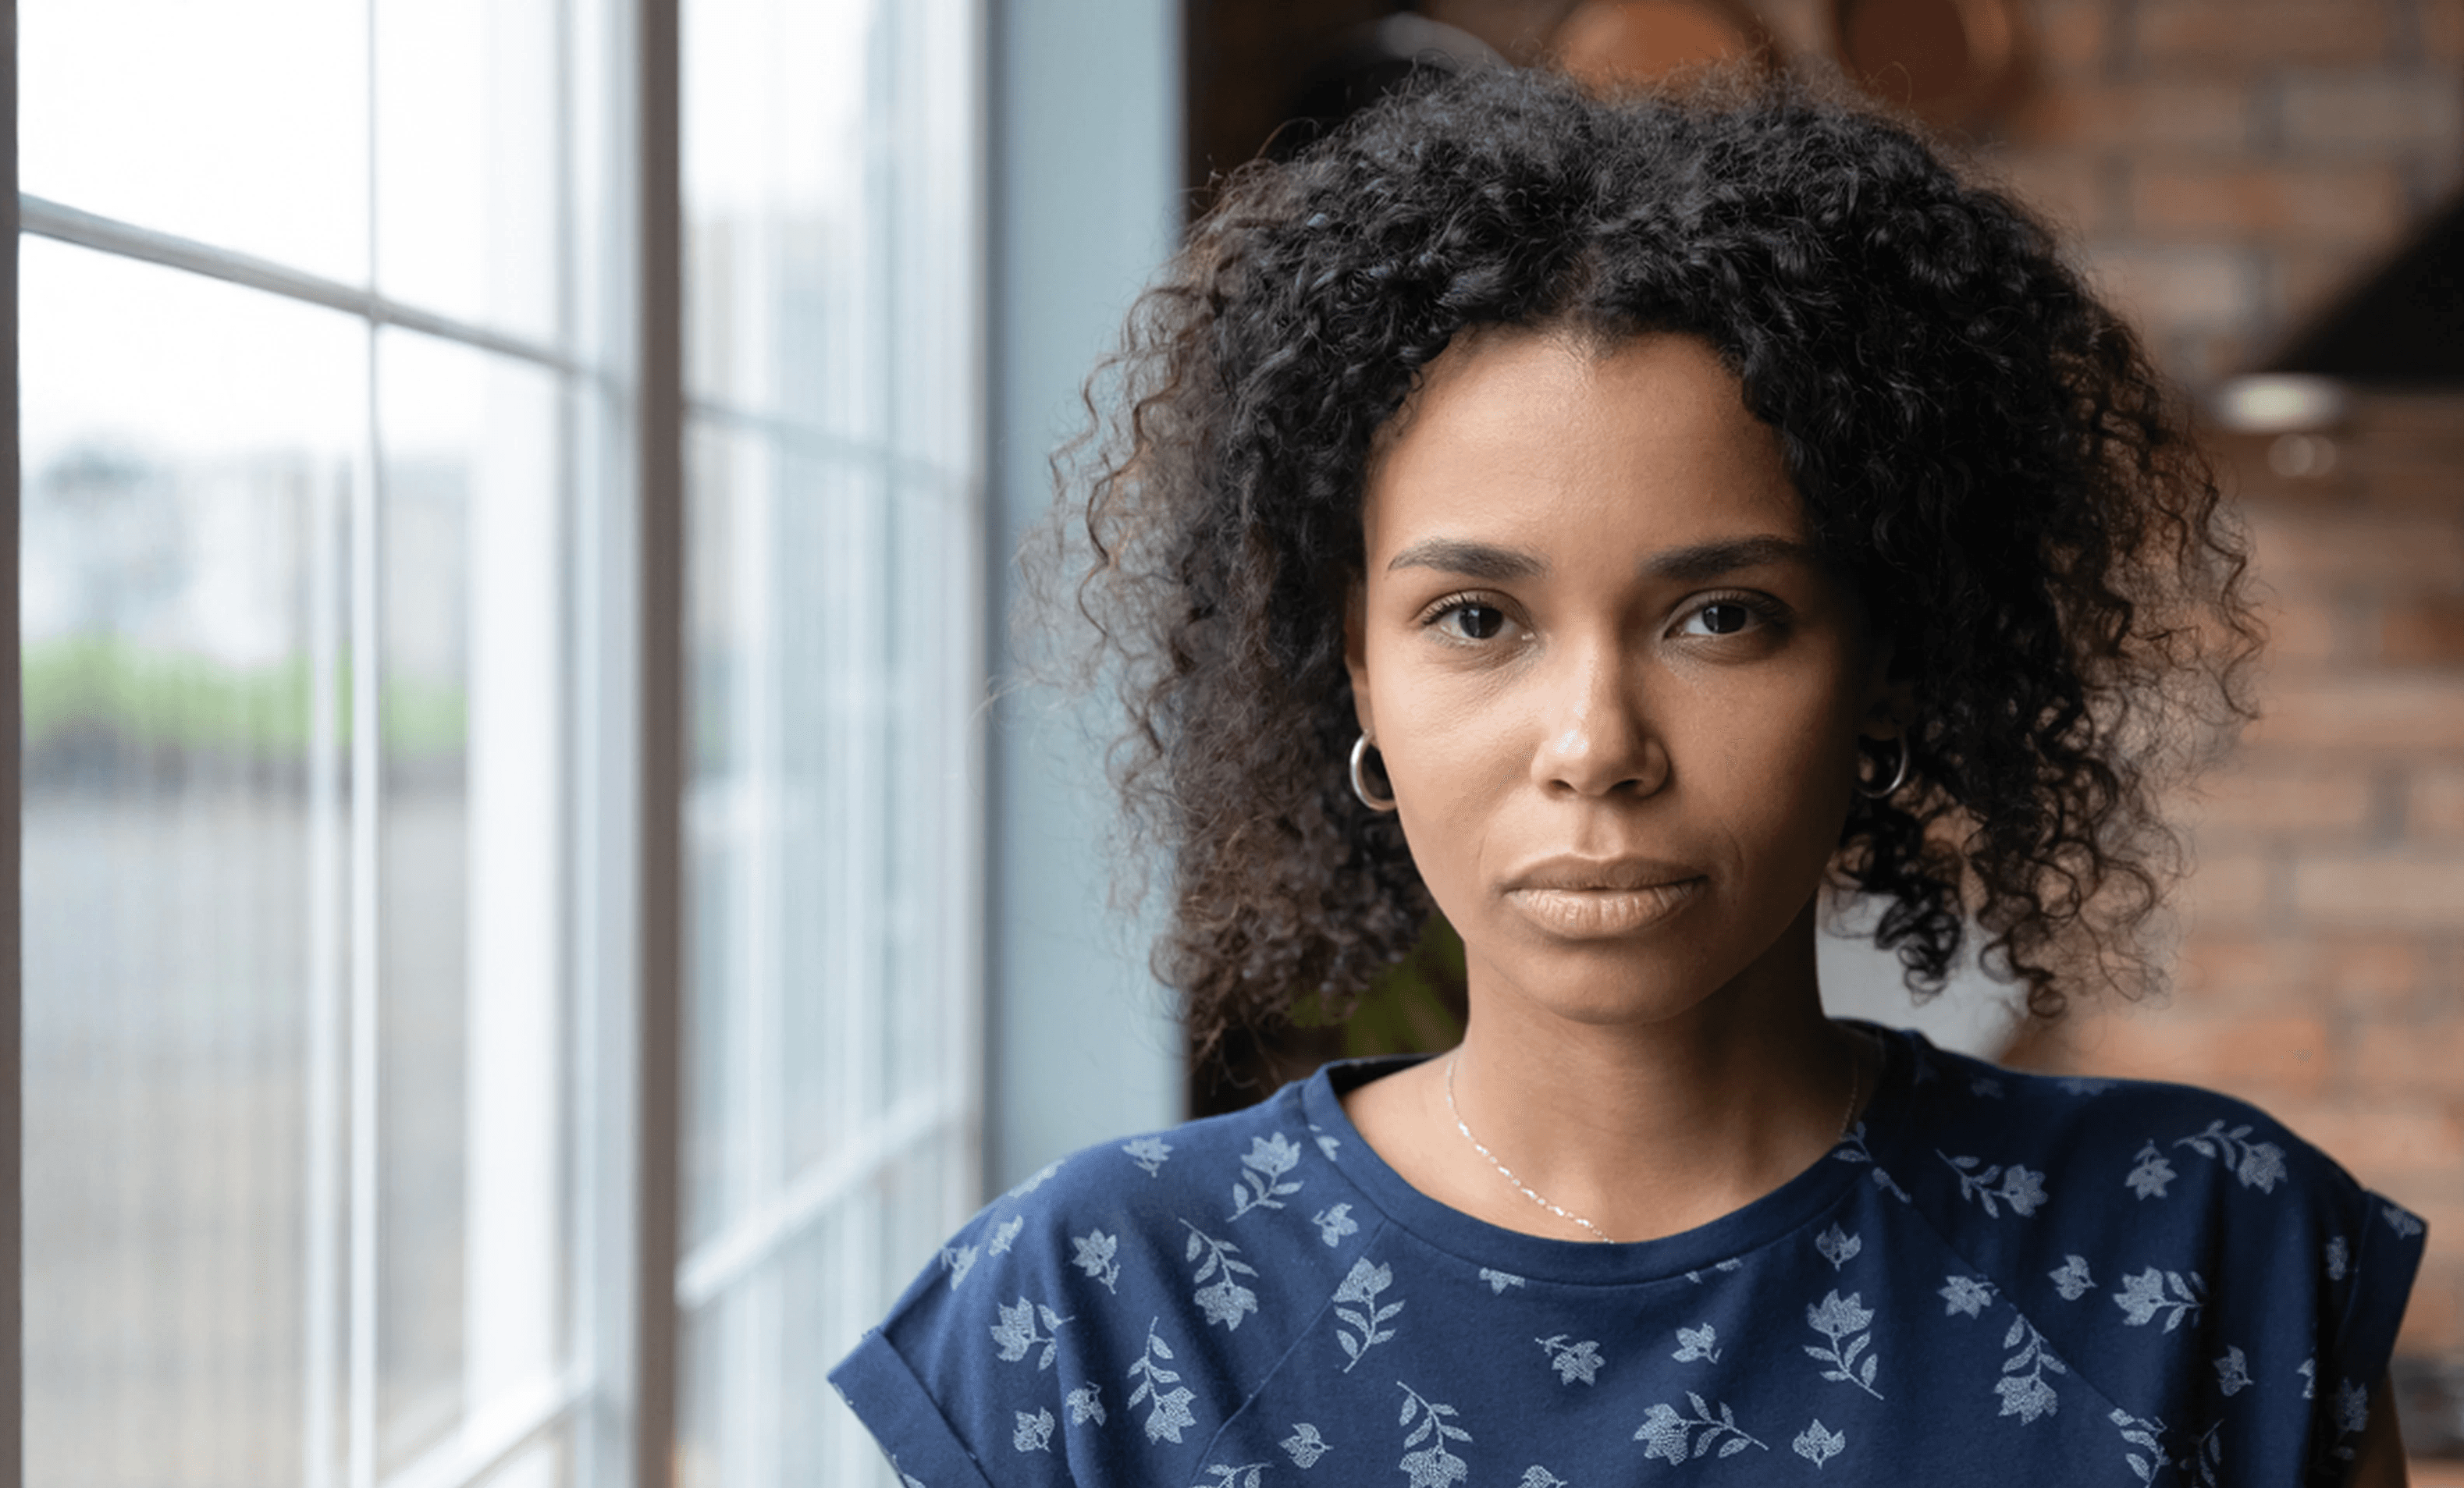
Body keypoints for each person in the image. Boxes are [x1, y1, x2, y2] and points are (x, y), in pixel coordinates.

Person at [830, 65, 2425, 1487]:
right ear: (1357, 670)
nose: (1593, 741)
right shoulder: (1095, 1310)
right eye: (1475, 617)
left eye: (1720, 615)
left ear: (1883, 664)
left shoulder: (2204, 1252)